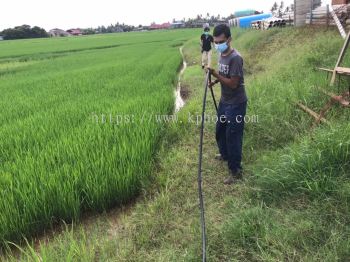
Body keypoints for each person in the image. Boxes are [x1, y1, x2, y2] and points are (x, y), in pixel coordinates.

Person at [207, 24, 248, 185]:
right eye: (215, 42)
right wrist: (215, 81)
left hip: (236, 104)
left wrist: (215, 74)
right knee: (220, 131)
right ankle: (224, 155)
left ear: (229, 39)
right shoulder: (222, 54)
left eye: (221, 41)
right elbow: (225, 74)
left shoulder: (235, 58)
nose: (217, 45)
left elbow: (233, 83)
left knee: (233, 137)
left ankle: (235, 170)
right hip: (225, 101)